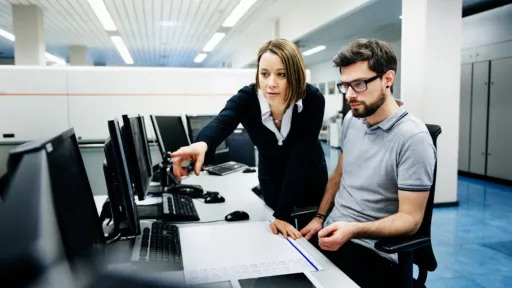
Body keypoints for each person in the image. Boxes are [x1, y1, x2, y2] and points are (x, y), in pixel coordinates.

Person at [299, 39, 436, 287]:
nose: (350, 95)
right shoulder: (353, 120)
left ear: (388, 78)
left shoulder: (413, 138)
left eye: (359, 84)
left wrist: (353, 229)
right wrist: (320, 217)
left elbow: (411, 219)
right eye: (345, 85)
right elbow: (340, 174)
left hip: (376, 253)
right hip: (333, 236)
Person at [170, 38, 328, 240]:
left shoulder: (312, 99)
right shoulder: (247, 98)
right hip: (271, 175)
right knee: (276, 235)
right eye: (264, 74)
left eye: (282, 74)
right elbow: (223, 121)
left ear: (295, 75)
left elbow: (301, 157)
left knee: (309, 237)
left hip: (308, 175)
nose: (271, 83)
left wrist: (283, 214)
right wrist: (202, 144)